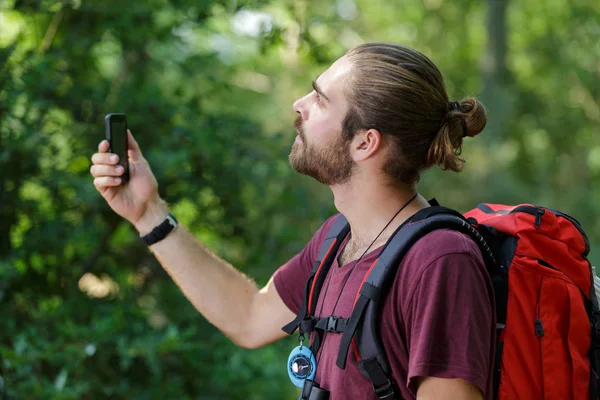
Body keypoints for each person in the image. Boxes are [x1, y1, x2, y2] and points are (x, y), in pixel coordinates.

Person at [90, 42, 495, 400]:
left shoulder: (440, 261)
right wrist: (149, 213)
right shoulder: (338, 241)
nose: (299, 104)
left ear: (364, 142)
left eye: (320, 100)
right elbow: (247, 317)